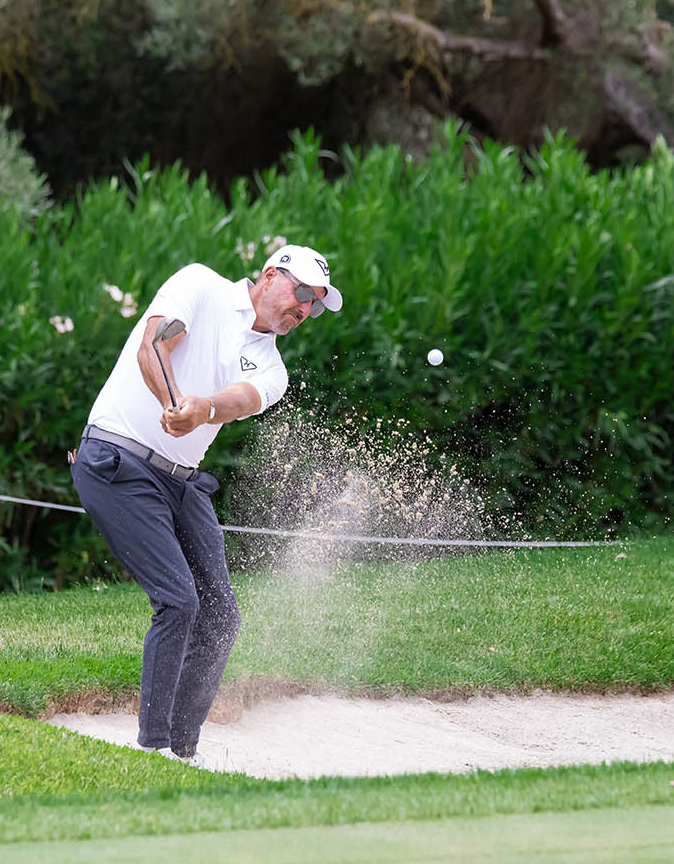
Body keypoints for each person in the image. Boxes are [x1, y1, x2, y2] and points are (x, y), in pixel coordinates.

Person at [70, 244, 342, 769]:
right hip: (116, 459)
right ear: (270, 276)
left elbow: (239, 399)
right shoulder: (201, 285)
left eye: (316, 303)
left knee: (220, 617)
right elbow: (154, 344)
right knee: (178, 601)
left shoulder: (273, 368)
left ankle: (181, 751)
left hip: (180, 482)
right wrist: (175, 403)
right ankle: (153, 749)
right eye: (302, 292)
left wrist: (204, 410)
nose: (305, 308)